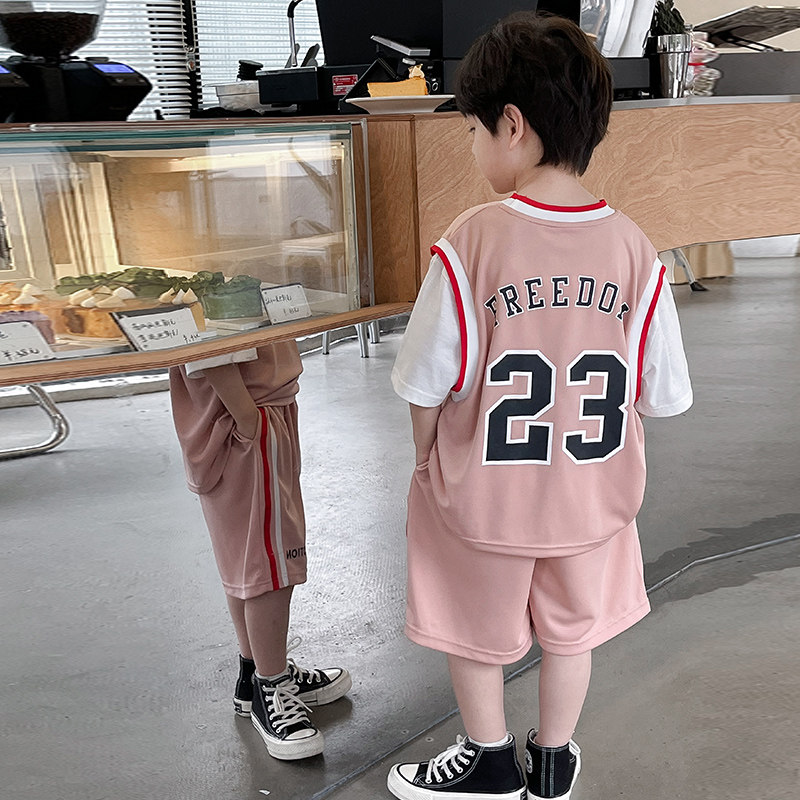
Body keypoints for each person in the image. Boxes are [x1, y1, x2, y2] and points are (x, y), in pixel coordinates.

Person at [388, 12, 692, 800]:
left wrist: (426, 463)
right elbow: (663, 395)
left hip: (487, 499)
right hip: (589, 500)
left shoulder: (471, 241)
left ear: (513, 125)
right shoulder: (636, 248)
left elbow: (424, 383)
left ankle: (489, 762)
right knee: (570, 633)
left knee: (473, 628)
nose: (473, 145)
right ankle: (552, 762)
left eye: (474, 129)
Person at [169, 343, 351, 761]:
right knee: (271, 565)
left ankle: (256, 674)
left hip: (234, 412)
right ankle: (272, 688)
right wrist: (249, 419)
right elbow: (206, 338)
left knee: (245, 557)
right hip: (246, 411)